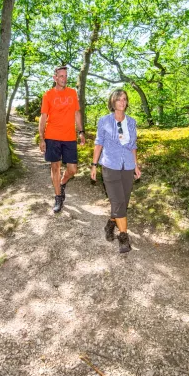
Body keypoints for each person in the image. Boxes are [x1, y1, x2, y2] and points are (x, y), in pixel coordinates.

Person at [90, 89, 141, 253]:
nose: (122, 102)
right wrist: (93, 165)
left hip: (127, 166)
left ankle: (110, 225)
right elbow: (99, 143)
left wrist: (136, 165)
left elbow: (133, 146)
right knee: (118, 202)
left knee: (123, 203)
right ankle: (124, 238)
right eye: (119, 99)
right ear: (113, 102)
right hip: (110, 165)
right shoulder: (104, 121)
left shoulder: (132, 122)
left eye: (124, 99)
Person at [39, 65, 85, 213]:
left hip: (69, 137)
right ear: (55, 78)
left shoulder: (72, 93)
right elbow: (43, 117)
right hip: (52, 136)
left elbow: (77, 114)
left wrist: (81, 131)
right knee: (55, 167)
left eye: (65, 76)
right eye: (61, 76)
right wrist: (41, 138)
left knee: (72, 169)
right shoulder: (48, 95)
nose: (64, 79)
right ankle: (58, 196)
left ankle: (63, 183)